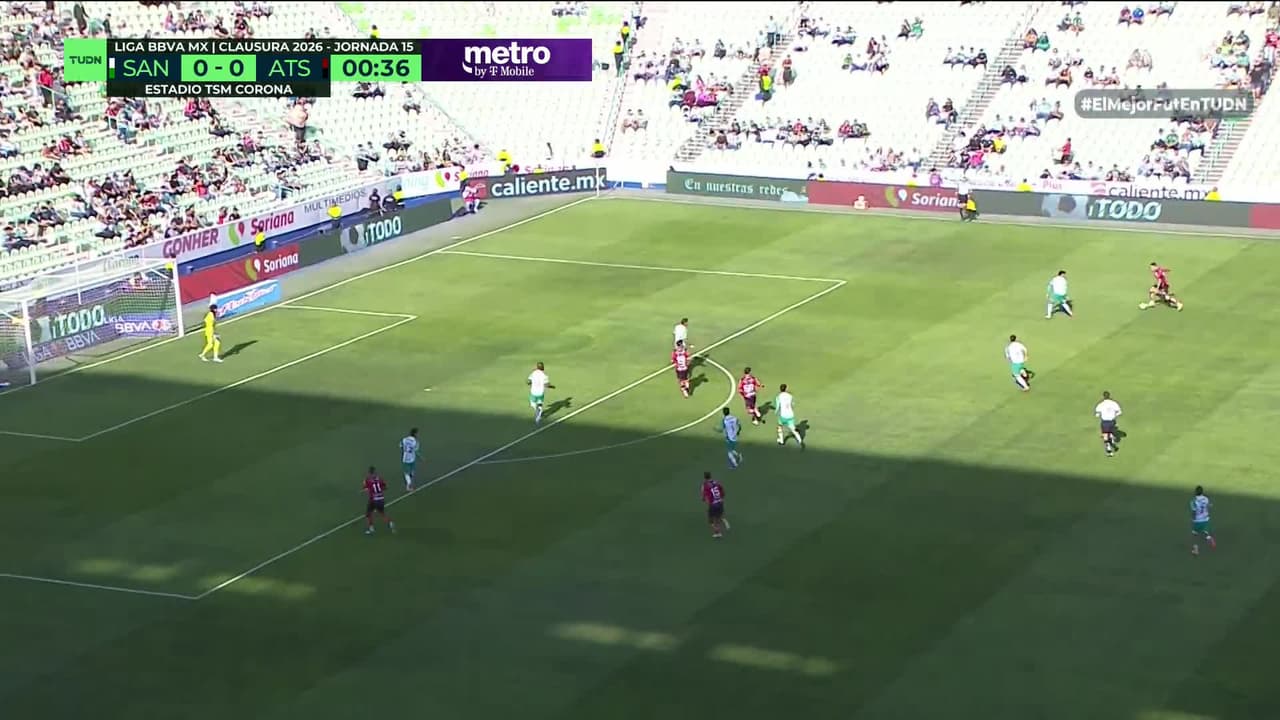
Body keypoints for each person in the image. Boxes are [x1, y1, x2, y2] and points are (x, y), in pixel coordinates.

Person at [363, 466, 395, 535]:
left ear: (369, 473)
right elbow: (385, 487)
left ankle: (371, 528)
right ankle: (390, 522)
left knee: (368, 514)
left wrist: (367, 489)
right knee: (382, 514)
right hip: (381, 499)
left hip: (373, 500)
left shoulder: (367, 480)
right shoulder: (380, 479)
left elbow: (366, 488)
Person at [700, 470, 729, 538]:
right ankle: (723, 519)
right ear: (710, 476)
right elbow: (722, 490)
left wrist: (703, 499)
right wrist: (721, 497)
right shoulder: (717, 482)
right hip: (720, 502)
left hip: (713, 505)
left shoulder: (704, 485)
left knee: (711, 521)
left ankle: (717, 533)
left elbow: (703, 496)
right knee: (718, 517)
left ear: (704, 477)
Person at [1189, 485, 1216, 555]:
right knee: (1205, 531)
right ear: (1202, 492)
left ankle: (1195, 550)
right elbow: (1209, 505)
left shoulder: (1193, 501)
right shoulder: (1206, 499)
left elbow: (1194, 511)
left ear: (1195, 492)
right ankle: (1209, 538)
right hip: (1205, 519)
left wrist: (1193, 519)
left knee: (1195, 535)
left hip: (1197, 520)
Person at [1094, 390, 1122, 457]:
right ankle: (1111, 439)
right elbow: (1119, 412)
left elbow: (1097, 414)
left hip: (1105, 422)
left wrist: (1099, 415)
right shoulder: (1114, 403)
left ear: (1103, 396)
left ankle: (1109, 449)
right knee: (1111, 432)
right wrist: (1114, 415)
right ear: (1109, 396)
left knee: (1105, 435)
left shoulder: (1101, 404)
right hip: (1112, 421)